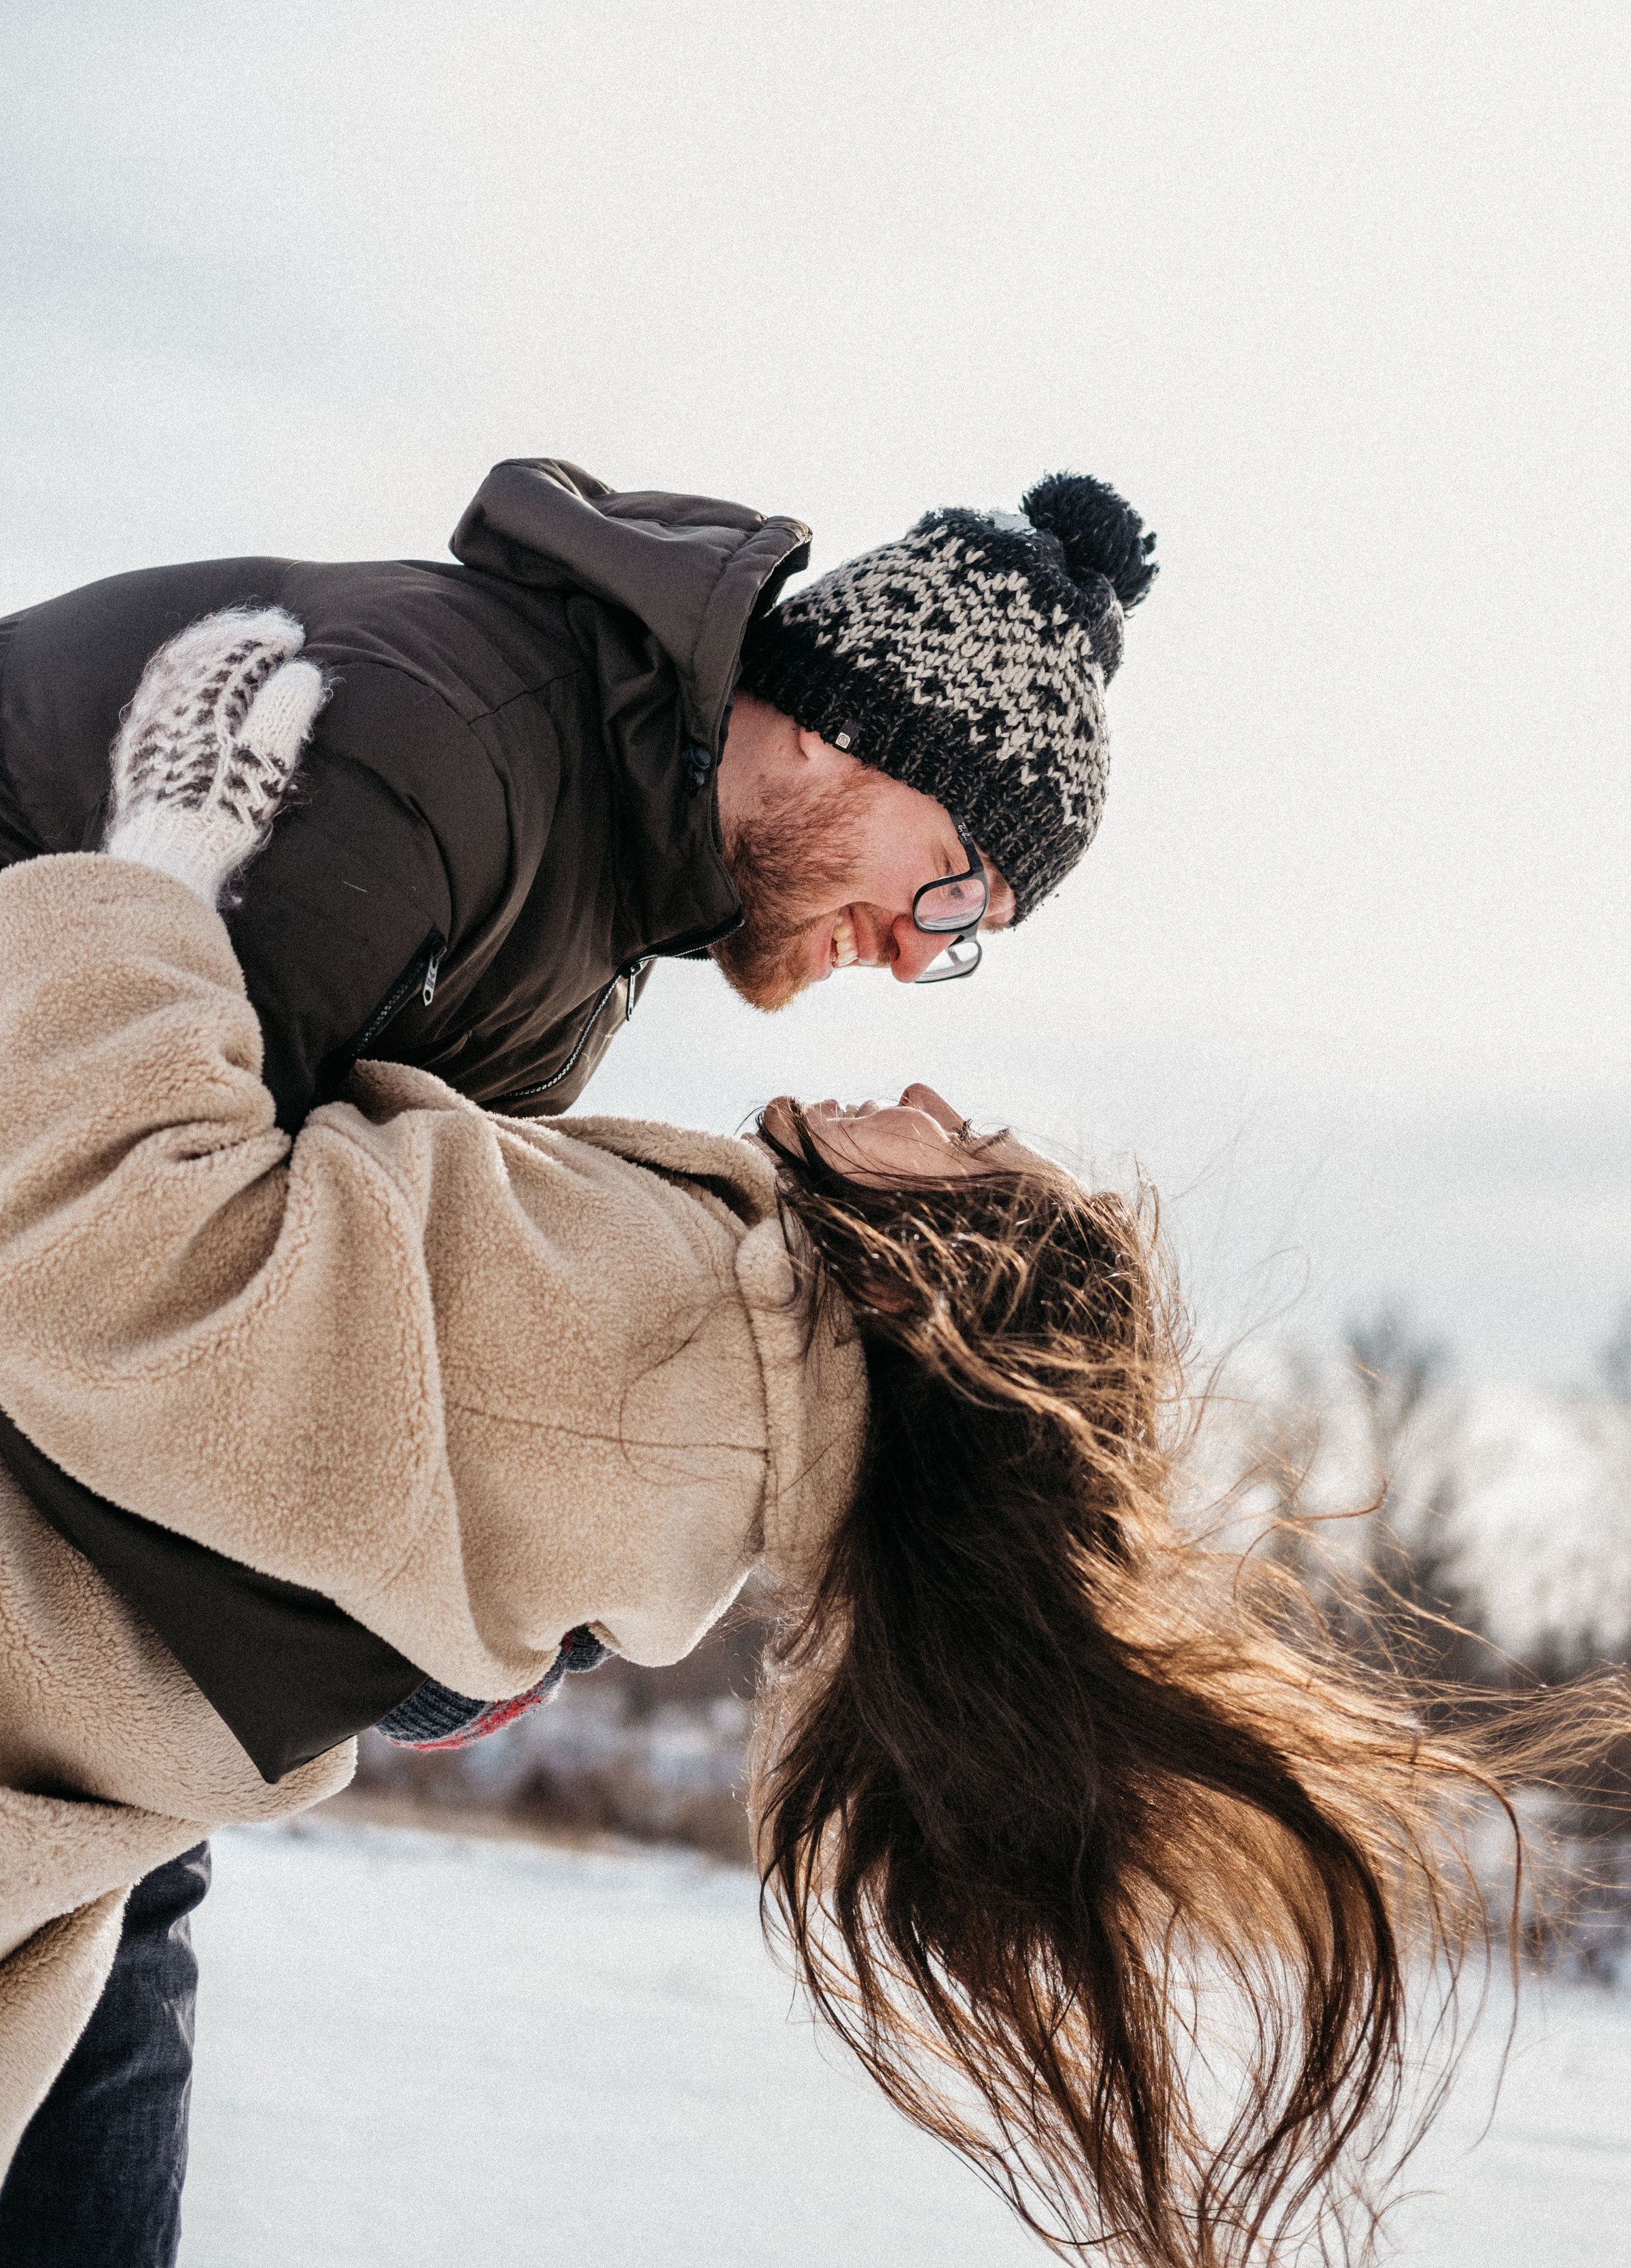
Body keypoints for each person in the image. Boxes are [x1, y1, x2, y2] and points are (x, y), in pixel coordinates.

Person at [0, 624, 1596, 2268]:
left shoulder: (676, 1348)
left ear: (935, 1281)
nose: (928, 1084)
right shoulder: (729, 1388)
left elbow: (123, 1258)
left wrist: (158, 867)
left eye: (969, 1143)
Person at [0, 454, 1159, 2260]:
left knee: (124, 1874)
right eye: (953, 891)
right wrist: (399, 1641)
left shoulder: (595, 920)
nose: (911, 965)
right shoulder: (444, 754)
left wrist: (464, 1603)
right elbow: (112, 1262)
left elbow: (349, 1303)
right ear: (850, 728)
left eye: (964, 951)